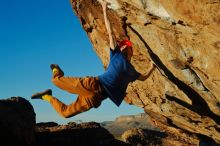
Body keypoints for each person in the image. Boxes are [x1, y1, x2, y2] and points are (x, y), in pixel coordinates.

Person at [31, 0, 155, 118]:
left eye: (125, 47)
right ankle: (56, 70)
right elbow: (110, 32)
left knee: (66, 114)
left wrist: (152, 66)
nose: (122, 49)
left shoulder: (131, 72)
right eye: (122, 47)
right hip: (91, 85)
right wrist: (104, 9)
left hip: (95, 98)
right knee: (56, 81)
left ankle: (47, 97)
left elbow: (144, 77)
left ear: (130, 51)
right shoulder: (115, 54)